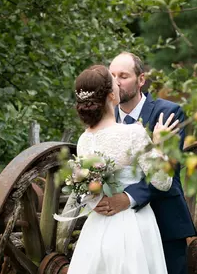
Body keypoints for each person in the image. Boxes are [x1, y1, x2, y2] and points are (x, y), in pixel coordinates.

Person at [94, 52, 196, 274]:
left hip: (164, 224)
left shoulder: (167, 113)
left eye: (124, 76)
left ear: (141, 80)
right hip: (120, 229)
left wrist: (126, 199)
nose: (116, 82)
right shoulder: (104, 121)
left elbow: (167, 172)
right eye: (112, 76)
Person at [68, 64, 174, 274]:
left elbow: (87, 186)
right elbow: (163, 182)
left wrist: (94, 201)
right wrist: (159, 145)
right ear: (112, 97)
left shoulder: (84, 139)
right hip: (133, 226)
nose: (119, 84)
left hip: (97, 227)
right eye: (115, 82)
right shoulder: (132, 134)